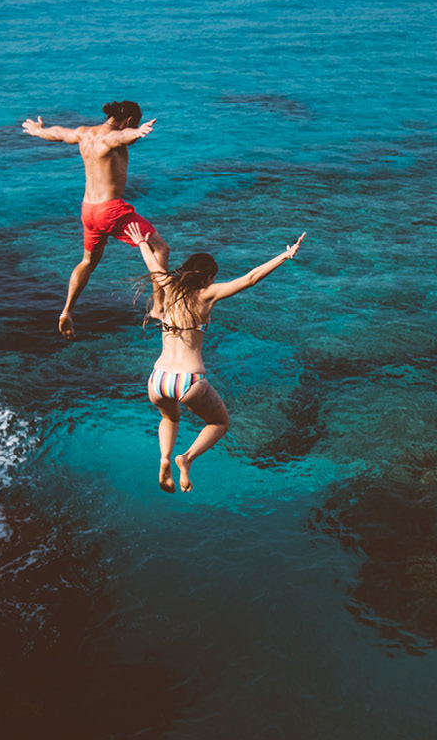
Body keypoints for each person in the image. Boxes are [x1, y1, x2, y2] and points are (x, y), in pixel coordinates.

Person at [125, 221, 307, 493]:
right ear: (208, 278)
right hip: (188, 380)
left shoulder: (169, 285)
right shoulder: (208, 295)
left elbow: (153, 265)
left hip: (158, 379)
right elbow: (250, 278)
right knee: (220, 423)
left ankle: (163, 458)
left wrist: (141, 242)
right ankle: (185, 458)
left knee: (170, 418)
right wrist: (285, 255)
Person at [21, 100, 169, 339]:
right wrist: (138, 134)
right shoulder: (113, 137)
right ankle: (158, 308)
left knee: (88, 262)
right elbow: (122, 138)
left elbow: (58, 133)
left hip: (88, 211)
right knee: (160, 248)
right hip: (111, 210)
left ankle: (67, 311)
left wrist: (38, 131)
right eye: (136, 123)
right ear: (129, 120)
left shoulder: (84, 133)